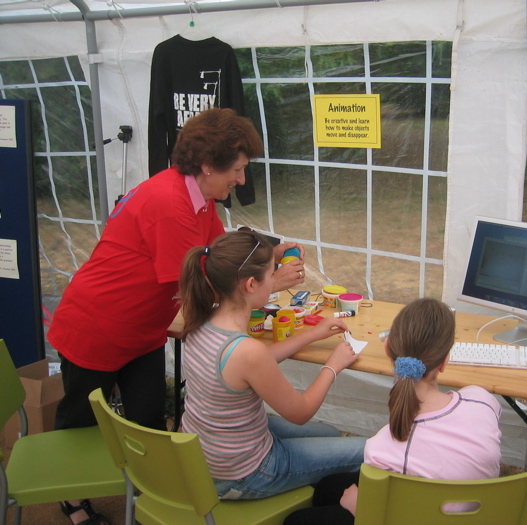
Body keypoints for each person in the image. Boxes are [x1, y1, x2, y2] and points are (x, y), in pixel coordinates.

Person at [47, 108, 306, 525]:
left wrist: (268, 255)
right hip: (96, 324)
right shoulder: (170, 203)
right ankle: (71, 502)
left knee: (149, 418)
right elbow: (198, 289)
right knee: (79, 422)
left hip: (145, 329)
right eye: (237, 170)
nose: (241, 180)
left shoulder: (201, 198)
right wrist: (267, 286)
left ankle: (150, 497)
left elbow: (219, 256)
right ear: (208, 166)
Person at [178, 230, 367, 500]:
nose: (274, 280)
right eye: (271, 274)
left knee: (329, 433)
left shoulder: (201, 319)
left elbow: (254, 363)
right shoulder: (247, 351)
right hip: (245, 474)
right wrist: (332, 366)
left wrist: (312, 334)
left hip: (209, 455)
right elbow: (300, 412)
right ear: (251, 284)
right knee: (366, 449)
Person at [284, 298, 503, 524]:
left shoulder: (382, 450)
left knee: (296, 520)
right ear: (445, 361)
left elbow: (388, 515)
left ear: (387, 347)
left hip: (416, 517)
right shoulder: (483, 400)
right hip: (474, 515)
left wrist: (356, 505)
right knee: (327, 487)